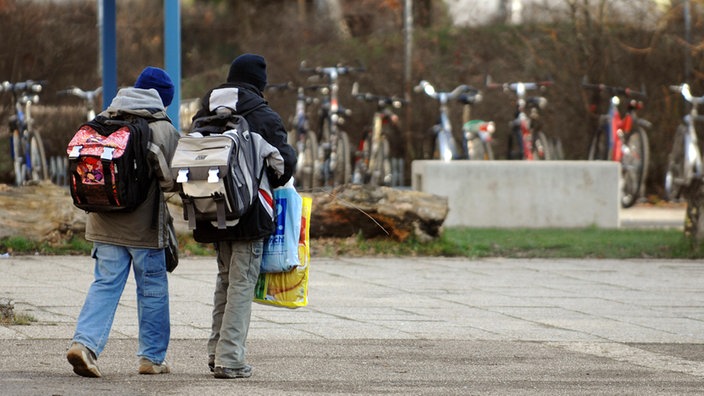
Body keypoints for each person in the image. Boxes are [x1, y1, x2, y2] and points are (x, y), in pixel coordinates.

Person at [66, 66, 180, 378]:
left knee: (104, 285)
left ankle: (84, 345)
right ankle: (152, 358)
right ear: (162, 100)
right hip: (143, 230)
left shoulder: (103, 120)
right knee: (152, 290)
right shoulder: (161, 128)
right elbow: (170, 183)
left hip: (102, 223)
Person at [191, 53, 296, 379]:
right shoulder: (262, 116)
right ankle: (230, 358)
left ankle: (215, 352)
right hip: (249, 213)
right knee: (241, 284)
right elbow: (284, 166)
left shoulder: (204, 112)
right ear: (259, 83)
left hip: (211, 209)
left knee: (224, 280)